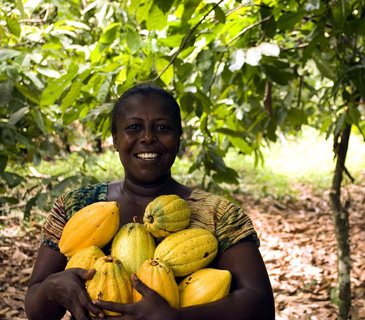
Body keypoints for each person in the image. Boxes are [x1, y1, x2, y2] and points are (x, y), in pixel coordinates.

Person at [24, 84, 276, 320]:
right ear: (114, 139)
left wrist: (176, 317)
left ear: (179, 138)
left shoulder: (218, 214)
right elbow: (35, 305)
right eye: (133, 127)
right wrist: (51, 289)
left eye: (162, 128)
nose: (147, 138)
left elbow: (261, 305)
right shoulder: (76, 205)